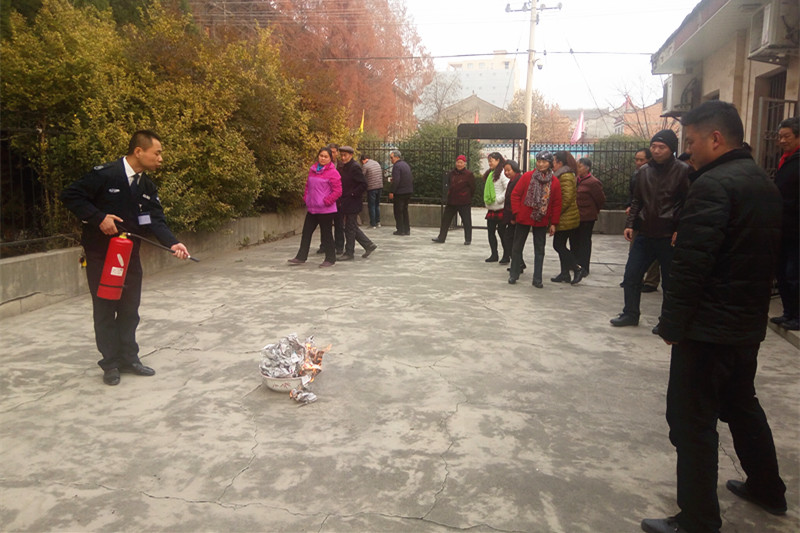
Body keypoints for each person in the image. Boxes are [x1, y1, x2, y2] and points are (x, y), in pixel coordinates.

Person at [641, 100, 787, 533]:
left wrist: (672, 324)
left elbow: (692, 263)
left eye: (691, 141)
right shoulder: (763, 182)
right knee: (741, 404)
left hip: (707, 329)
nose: (688, 150)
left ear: (716, 138)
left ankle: (698, 519)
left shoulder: (712, 185)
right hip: (745, 324)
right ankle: (768, 488)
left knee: (691, 421)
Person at [60, 130, 191, 386]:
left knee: (130, 309)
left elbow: (155, 220)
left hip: (129, 255)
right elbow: (70, 195)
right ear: (139, 151)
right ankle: (110, 363)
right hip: (101, 255)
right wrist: (99, 218)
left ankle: (130, 358)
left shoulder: (146, 186)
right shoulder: (106, 175)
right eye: (157, 153)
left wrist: (173, 243)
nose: (161, 158)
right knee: (105, 309)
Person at [611, 130, 689, 330]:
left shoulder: (683, 171)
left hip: (668, 236)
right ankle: (630, 313)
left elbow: (688, 203)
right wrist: (630, 224)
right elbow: (637, 200)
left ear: (671, 149)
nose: (656, 150)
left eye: (662, 147)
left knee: (670, 282)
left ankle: (667, 320)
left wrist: (680, 228)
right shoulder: (643, 172)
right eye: (653, 146)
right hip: (645, 233)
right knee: (631, 275)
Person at [509, 151, 562, 288]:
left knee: (539, 250)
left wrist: (554, 223)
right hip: (524, 217)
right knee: (517, 247)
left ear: (549, 164)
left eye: (544, 162)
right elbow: (515, 195)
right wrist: (517, 212)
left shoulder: (554, 182)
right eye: (539, 161)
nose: (541, 164)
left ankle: (537, 278)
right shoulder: (527, 177)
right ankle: (514, 274)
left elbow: (557, 203)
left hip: (541, 219)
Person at [288, 147, 342, 268]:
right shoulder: (312, 170)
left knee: (326, 234)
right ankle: (301, 257)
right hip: (312, 208)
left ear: (330, 158)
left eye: (326, 157)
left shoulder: (333, 173)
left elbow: (338, 191)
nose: (322, 158)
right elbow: (308, 186)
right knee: (306, 233)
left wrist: (327, 201)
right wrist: (306, 198)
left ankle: (330, 259)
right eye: (321, 156)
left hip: (326, 210)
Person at [771, 116, 799, 331]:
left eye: (786, 136)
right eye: (780, 137)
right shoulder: (786, 160)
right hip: (784, 227)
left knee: (794, 273)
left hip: (796, 227)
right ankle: (788, 312)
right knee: (781, 271)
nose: (782, 141)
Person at [627, 148, 660, 293]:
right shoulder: (636, 175)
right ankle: (634, 278)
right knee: (634, 250)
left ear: (649, 160)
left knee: (653, 253)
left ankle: (651, 281)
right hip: (638, 218)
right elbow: (634, 197)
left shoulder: (657, 174)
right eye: (636, 159)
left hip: (655, 219)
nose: (638, 162)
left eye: (641, 160)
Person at [337, 146, 376, 260]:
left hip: (353, 202)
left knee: (349, 228)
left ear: (351, 155)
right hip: (347, 201)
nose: (343, 157)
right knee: (351, 226)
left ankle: (349, 253)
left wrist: (352, 194)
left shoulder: (354, 167)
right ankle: (368, 245)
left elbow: (363, 184)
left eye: (345, 155)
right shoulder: (345, 167)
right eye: (341, 155)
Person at [550, 151, 582, 284]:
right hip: (565, 217)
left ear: (560, 163)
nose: (552, 164)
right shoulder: (562, 175)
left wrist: (555, 213)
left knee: (558, 245)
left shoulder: (565, 176)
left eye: (553, 161)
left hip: (566, 217)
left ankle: (577, 268)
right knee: (561, 244)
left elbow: (566, 199)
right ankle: (564, 274)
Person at [432, 155, 476, 245]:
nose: (459, 164)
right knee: (445, 220)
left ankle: (468, 239)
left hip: (464, 201)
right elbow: (449, 184)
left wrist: (467, 196)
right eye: (458, 162)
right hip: (452, 201)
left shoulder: (469, 174)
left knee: (466, 221)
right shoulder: (451, 173)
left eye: (461, 163)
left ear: (464, 164)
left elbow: (472, 188)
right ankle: (441, 237)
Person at [573, 158, 605, 278]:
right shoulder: (576, 180)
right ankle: (575, 265)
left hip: (587, 217)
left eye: (580, 166)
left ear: (587, 168)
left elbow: (600, 199)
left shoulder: (593, 182)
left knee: (584, 242)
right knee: (574, 240)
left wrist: (593, 210)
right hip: (575, 216)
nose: (577, 169)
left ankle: (584, 266)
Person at [482, 152, 510, 262]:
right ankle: (494, 254)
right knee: (490, 233)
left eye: (491, 161)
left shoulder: (502, 173)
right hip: (492, 208)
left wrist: (499, 199)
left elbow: (508, 188)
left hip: (500, 208)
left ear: (498, 160)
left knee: (502, 233)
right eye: (489, 161)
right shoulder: (491, 173)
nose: (489, 163)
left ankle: (506, 255)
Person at [501, 160, 523, 268]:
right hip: (511, 215)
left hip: (515, 216)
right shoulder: (513, 180)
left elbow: (516, 200)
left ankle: (518, 264)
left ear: (515, 169)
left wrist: (514, 217)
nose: (506, 173)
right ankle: (519, 263)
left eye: (508, 170)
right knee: (510, 240)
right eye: (505, 171)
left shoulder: (518, 180)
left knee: (510, 240)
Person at [388, 150, 412, 235]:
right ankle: (407, 229)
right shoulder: (405, 164)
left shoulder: (396, 166)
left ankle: (400, 230)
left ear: (396, 157)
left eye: (391, 157)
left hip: (400, 192)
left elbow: (396, 180)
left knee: (398, 211)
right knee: (405, 210)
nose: (391, 160)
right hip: (408, 191)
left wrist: (392, 191)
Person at [361, 154, 383, 229]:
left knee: (372, 206)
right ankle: (378, 222)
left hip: (372, 188)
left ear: (363, 160)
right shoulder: (376, 163)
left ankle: (373, 224)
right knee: (377, 205)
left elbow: (362, 176)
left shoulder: (365, 165)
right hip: (379, 186)